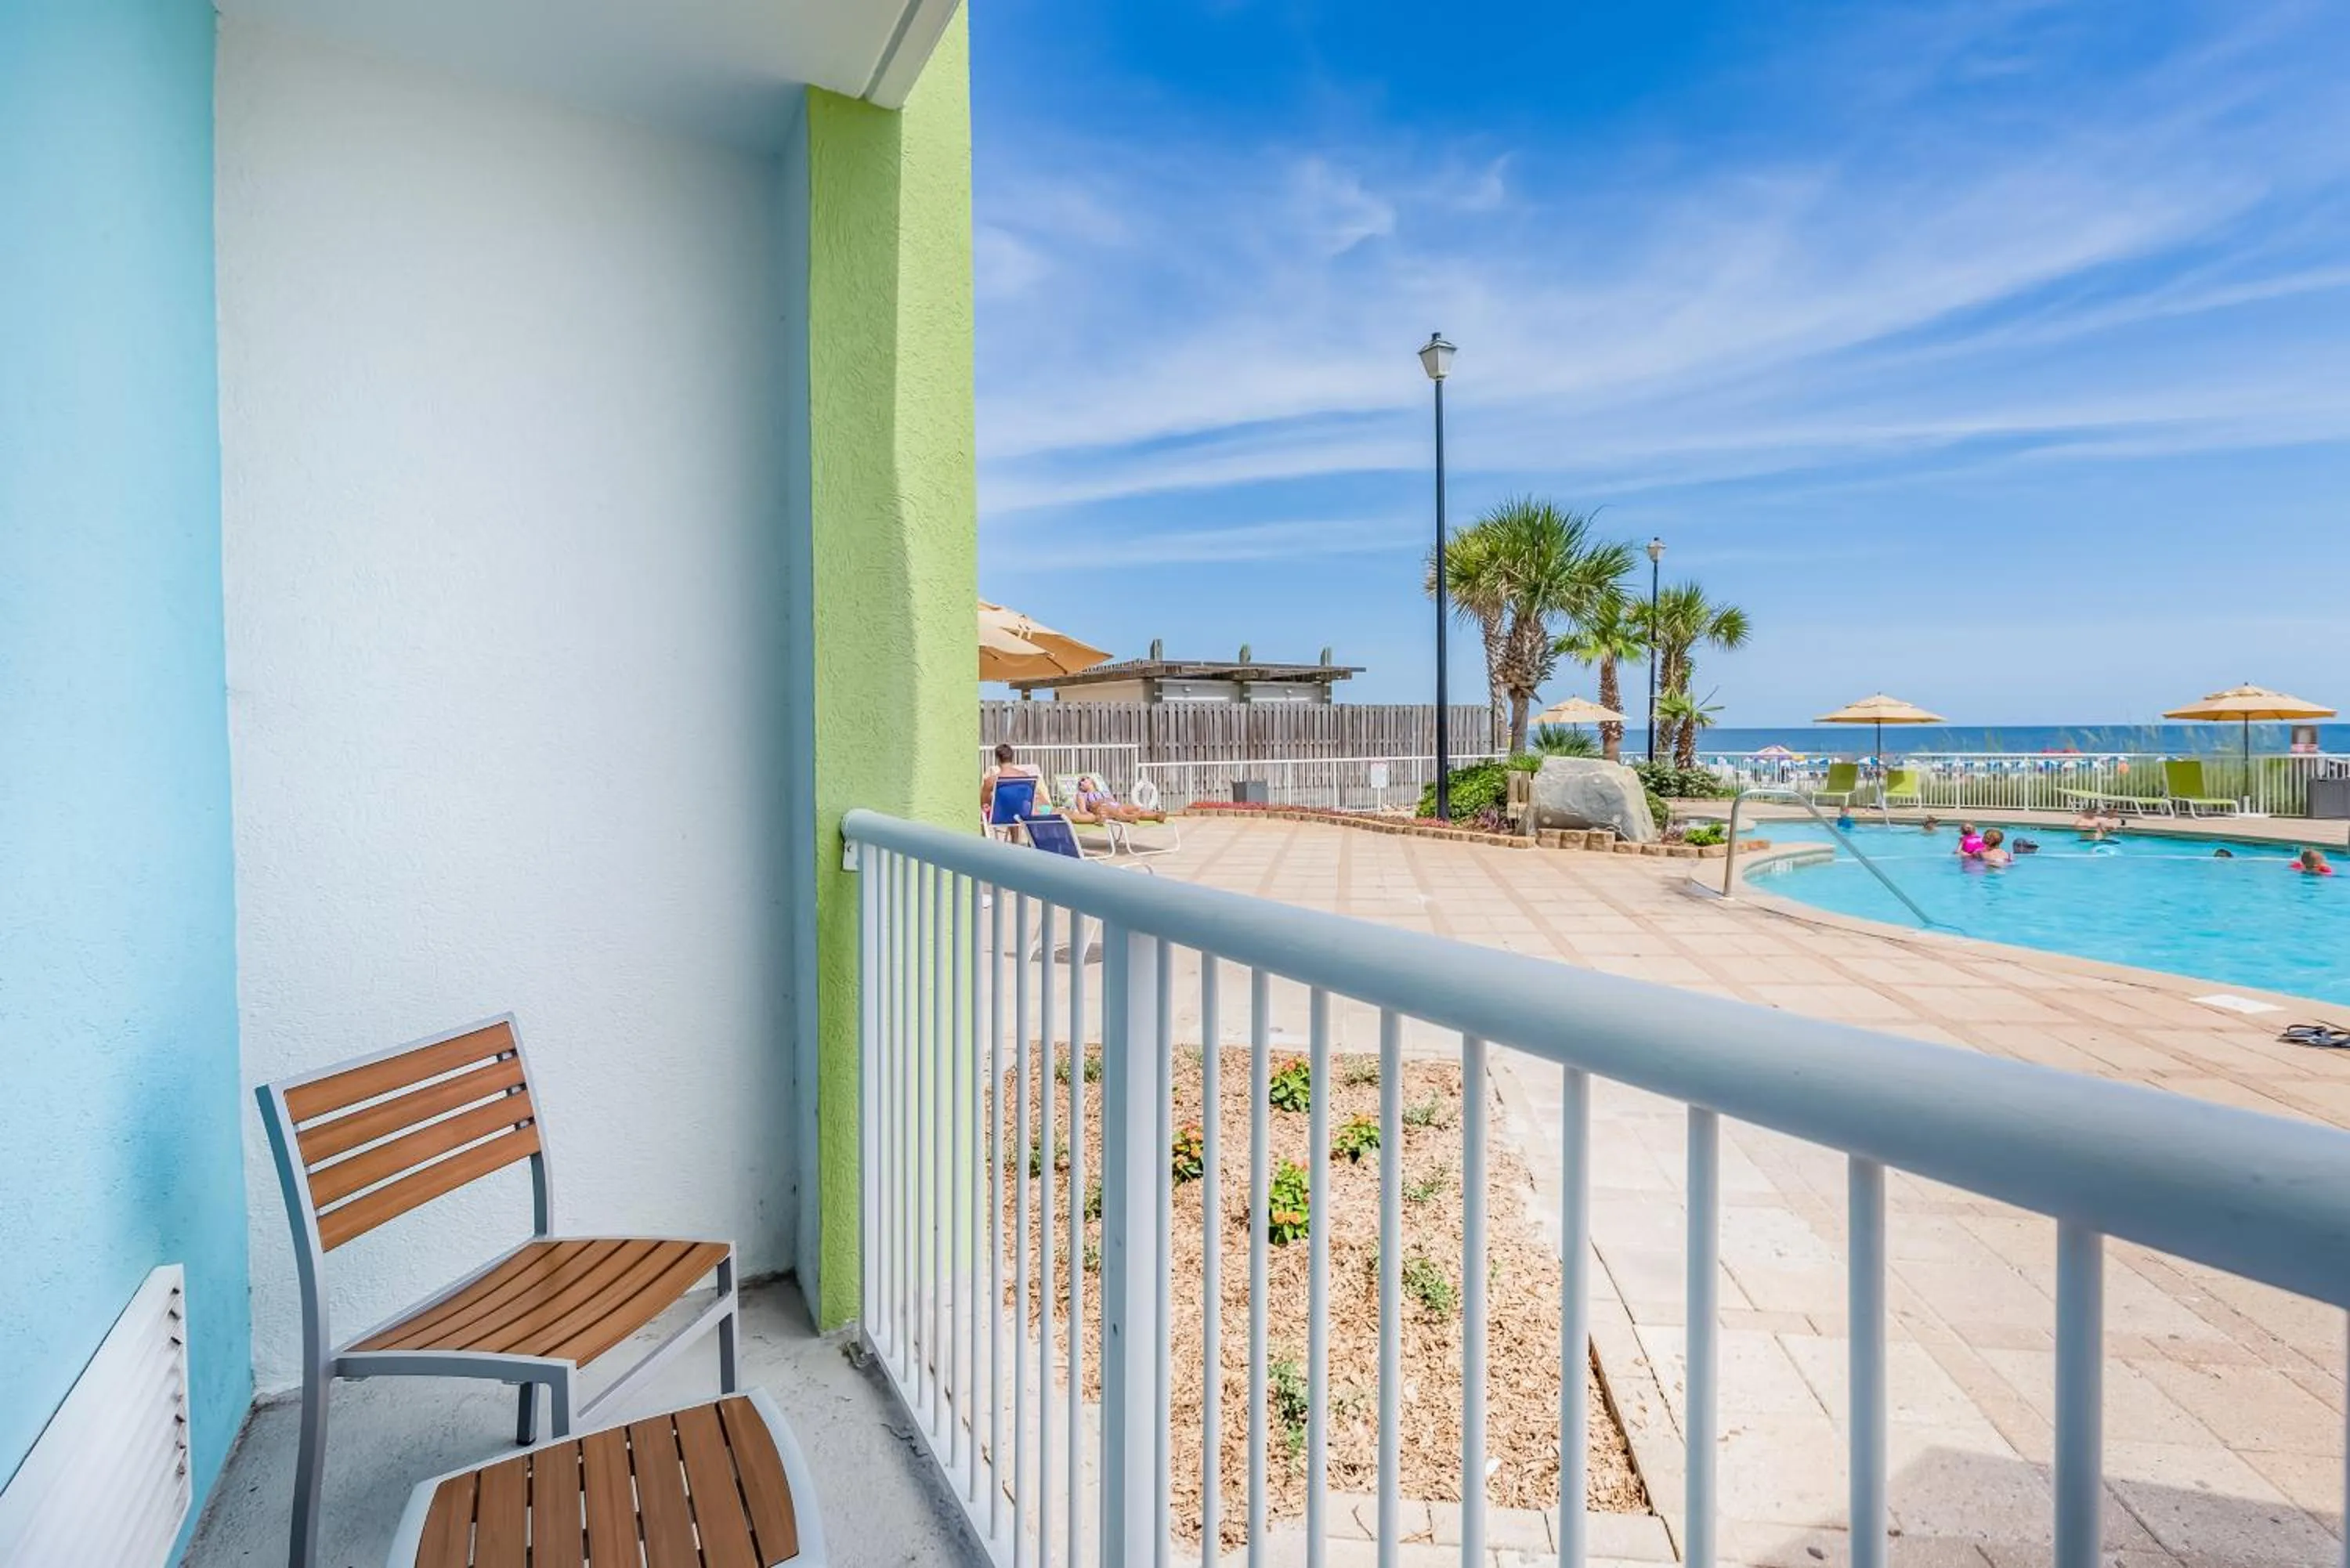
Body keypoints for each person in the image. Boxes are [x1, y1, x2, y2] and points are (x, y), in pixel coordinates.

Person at [979, 742, 1041, 818]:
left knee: (993, 807)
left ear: (998, 759)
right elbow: (1030, 795)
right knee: (1015, 804)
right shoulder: (1024, 776)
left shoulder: (992, 780)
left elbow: (984, 803)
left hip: (1000, 816)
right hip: (1022, 814)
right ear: (1012, 758)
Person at [1071, 774, 1152, 824]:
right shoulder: (1081, 795)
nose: (1081, 783)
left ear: (1091, 780)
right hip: (1100, 809)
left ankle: (1156, 816)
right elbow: (1083, 811)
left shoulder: (1104, 792)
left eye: (1083, 780)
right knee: (1110, 808)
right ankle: (1129, 818)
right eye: (1079, 783)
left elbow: (1113, 801)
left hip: (1115, 806)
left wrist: (1108, 801)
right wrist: (1093, 816)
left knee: (1135, 808)